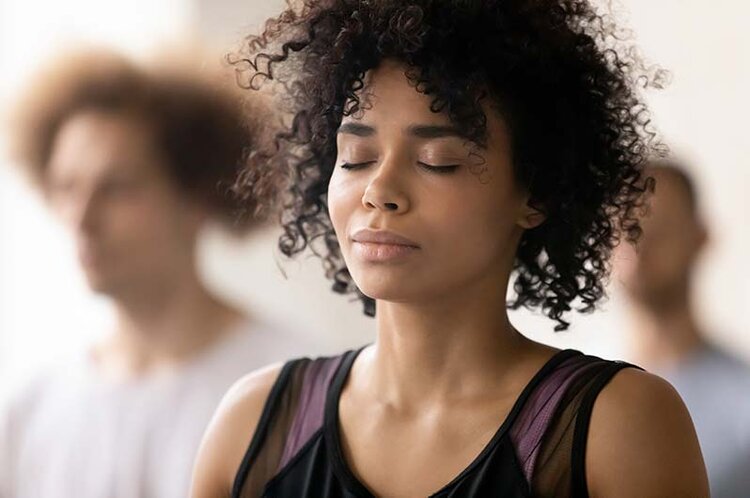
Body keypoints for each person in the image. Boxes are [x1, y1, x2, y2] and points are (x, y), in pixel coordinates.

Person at [191, 1, 709, 497]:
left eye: (437, 160)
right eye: (355, 158)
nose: (379, 192)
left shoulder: (614, 429)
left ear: (537, 194)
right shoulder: (252, 429)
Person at [0, 50, 310, 498]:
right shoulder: (31, 406)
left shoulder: (290, 389)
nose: (81, 218)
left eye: (117, 187)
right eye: (66, 186)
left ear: (198, 199)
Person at [616, 161, 750, 498]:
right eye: (628, 230)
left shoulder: (741, 400)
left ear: (700, 237)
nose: (641, 247)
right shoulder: (572, 393)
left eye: (660, 228)